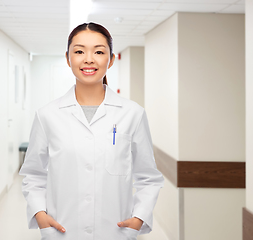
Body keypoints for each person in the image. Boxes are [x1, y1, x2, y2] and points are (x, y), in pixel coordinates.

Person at [19, 22, 164, 240]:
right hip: (63, 230)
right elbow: (33, 174)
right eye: (79, 51)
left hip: (116, 231)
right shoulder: (47, 115)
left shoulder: (132, 113)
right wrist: (40, 214)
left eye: (98, 51)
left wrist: (138, 219)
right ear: (68, 59)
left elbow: (148, 177)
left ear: (111, 59)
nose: (89, 59)